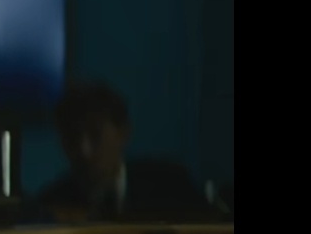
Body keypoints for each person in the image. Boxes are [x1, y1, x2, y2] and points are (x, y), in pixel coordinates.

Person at [36, 81, 213, 221]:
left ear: (123, 132)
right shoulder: (49, 206)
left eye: (96, 135)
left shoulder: (172, 188)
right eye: (72, 138)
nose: (84, 150)